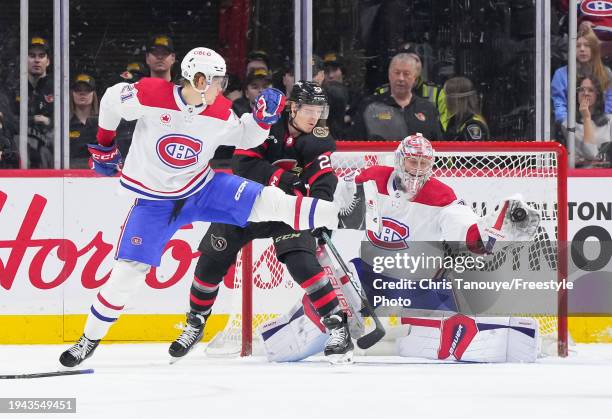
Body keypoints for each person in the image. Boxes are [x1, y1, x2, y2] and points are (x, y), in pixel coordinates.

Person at [58, 47, 340, 368]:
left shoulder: (219, 108)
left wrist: (262, 120)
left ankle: (334, 213)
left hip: (201, 188)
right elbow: (110, 99)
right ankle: (89, 339)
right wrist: (104, 143)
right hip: (154, 202)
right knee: (126, 275)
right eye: (218, 80)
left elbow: (245, 137)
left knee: (262, 201)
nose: (222, 87)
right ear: (200, 79)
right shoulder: (151, 92)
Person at [259, 134, 542, 363]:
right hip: (371, 275)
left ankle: (508, 337)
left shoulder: (442, 196)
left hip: (422, 282)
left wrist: (486, 233)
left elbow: (465, 230)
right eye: (412, 162)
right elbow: (334, 200)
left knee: (443, 338)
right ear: (399, 161)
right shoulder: (370, 178)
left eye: (424, 163)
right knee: (326, 307)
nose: (417, 169)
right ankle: (283, 339)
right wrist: (321, 218)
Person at [168, 81, 353, 364]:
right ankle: (195, 323)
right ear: (293, 108)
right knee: (211, 260)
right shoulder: (264, 125)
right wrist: (286, 180)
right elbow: (243, 166)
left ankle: (338, 326)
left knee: (303, 263)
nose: (314, 117)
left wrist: (318, 210)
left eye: (319, 110)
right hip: (246, 201)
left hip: (286, 210)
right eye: (309, 110)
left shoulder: (320, 137)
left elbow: (323, 179)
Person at [351, 53, 442, 141]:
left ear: (415, 78)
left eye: (406, 74)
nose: (401, 78)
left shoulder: (427, 108)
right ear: (389, 75)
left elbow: (439, 148)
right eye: (396, 73)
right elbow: (354, 145)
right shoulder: (369, 106)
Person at [552, 26, 612, 124]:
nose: (582, 49)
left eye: (587, 45)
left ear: (594, 49)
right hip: (571, 127)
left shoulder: (606, 73)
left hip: (601, 125)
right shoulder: (560, 74)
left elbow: (610, 101)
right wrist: (566, 123)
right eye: (578, 46)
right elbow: (559, 104)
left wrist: (604, 123)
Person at [15, 36, 54, 168]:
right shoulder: (14, 87)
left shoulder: (58, 88)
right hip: (19, 152)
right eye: (32, 55)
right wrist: (34, 119)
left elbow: (67, 122)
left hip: (52, 154)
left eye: (41, 55)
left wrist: (49, 122)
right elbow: (7, 119)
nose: (37, 60)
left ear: (48, 61)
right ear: (24, 59)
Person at [561, 75, 612, 167]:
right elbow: (591, 153)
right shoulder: (568, 124)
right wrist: (586, 118)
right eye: (581, 90)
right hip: (582, 177)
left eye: (590, 90)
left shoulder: (610, 121)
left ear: (598, 95)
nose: (585, 93)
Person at [443, 76, 489, 141]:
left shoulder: (473, 124)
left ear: (455, 99)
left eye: (446, 95)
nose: (444, 99)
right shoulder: (456, 121)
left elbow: (475, 149)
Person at [69, 73, 99, 168]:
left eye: (87, 90)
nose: (82, 93)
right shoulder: (64, 124)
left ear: (93, 94)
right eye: (78, 90)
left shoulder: (102, 123)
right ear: (72, 93)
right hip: (71, 172)